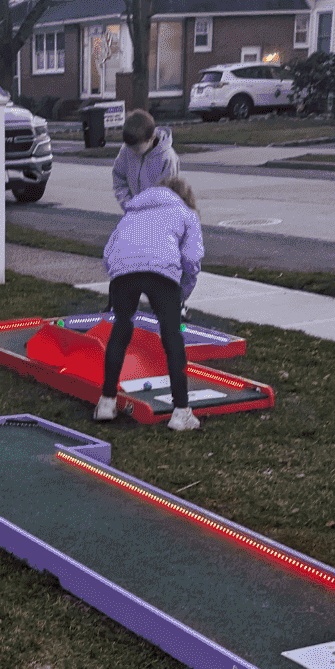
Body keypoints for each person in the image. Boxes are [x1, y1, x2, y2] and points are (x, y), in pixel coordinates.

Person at [95, 176, 204, 430]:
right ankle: (181, 412)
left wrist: (119, 275)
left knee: (121, 327)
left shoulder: (133, 212)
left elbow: (109, 253)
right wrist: (182, 294)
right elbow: (192, 259)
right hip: (162, 273)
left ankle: (106, 403)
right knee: (171, 336)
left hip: (124, 271)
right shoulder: (186, 214)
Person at [112, 108, 179, 211]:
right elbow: (119, 178)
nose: (132, 152)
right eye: (129, 147)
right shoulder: (126, 150)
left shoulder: (167, 158)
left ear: (151, 138)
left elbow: (168, 193)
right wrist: (128, 204)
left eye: (137, 148)